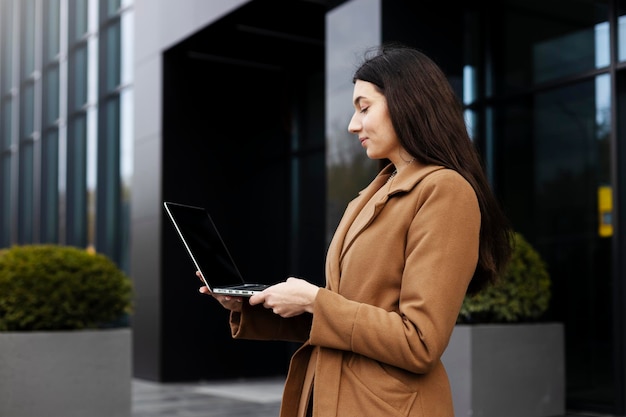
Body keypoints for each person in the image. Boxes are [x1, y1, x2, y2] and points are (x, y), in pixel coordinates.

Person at [198, 43, 512, 417]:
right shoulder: (373, 193)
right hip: (331, 396)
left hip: (384, 407)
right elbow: (346, 316)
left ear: (407, 101)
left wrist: (316, 300)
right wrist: (252, 304)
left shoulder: (444, 191)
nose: (352, 124)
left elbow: (420, 342)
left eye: (364, 107)